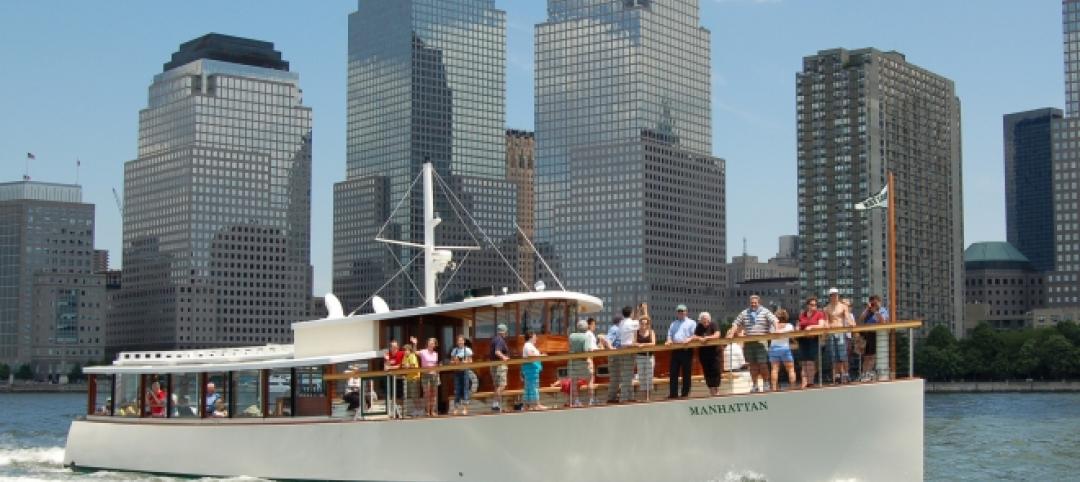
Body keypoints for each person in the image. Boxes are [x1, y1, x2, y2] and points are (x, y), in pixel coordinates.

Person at [728, 295, 779, 393]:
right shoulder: (745, 312)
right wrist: (731, 333)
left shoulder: (765, 311)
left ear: (759, 302)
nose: (753, 304)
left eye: (755, 303)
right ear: (750, 303)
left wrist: (776, 330)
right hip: (749, 342)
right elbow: (736, 323)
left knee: (763, 364)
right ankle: (755, 384)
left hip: (761, 342)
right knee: (753, 366)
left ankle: (766, 383)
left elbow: (774, 320)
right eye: (752, 303)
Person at [665, 305, 697, 399]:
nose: (681, 313)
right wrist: (669, 340)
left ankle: (685, 394)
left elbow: (695, 335)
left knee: (686, 373)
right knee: (673, 372)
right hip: (675, 349)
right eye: (679, 311)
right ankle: (673, 394)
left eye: (682, 311)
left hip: (686, 349)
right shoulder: (673, 323)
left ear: (686, 312)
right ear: (677, 313)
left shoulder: (692, 322)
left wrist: (689, 339)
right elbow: (669, 335)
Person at [858, 295, 890, 382]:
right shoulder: (868, 311)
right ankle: (864, 374)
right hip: (866, 335)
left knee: (872, 356)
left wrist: (876, 311)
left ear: (879, 302)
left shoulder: (883, 310)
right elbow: (860, 319)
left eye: (875, 302)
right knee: (866, 357)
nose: (874, 304)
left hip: (876, 335)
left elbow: (883, 321)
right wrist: (867, 309)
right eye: (872, 303)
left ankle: (868, 373)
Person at [824, 288, 852, 384]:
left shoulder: (843, 306)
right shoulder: (827, 308)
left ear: (838, 295)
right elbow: (827, 320)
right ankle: (837, 375)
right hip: (832, 332)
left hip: (840, 331)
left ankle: (845, 374)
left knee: (842, 355)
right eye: (832, 295)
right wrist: (826, 326)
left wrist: (851, 323)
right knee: (833, 355)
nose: (834, 296)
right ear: (830, 296)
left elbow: (847, 316)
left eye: (836, 294)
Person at [798, 296, 827, 388]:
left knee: (810, 362)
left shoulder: (819, 314)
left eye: (815, 305)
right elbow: (799, 324)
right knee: (804, 362)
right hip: (802, 340)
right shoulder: (802, 314)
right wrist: (797, 329)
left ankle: (810, 382)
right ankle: (804, 382)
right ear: (807, 305)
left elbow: (822, 325)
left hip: (813, 340)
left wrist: (811, 327)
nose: (813, 306)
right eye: (811, 305)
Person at [613, 306, 640, 403]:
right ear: (631, 313)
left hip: (622, 350)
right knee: (628, 375)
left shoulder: (621, 323)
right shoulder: (632, 323)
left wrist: (636, 313)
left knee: (625, 374)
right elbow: (640, 323)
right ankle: (624, 398)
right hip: (629, 350)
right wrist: (641, 311)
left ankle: (629, 396)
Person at [691, 312, 722, 396]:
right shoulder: (699, 326)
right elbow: (694, 336)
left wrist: (707, 338)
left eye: (706, 320)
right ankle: (711, 390)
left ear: (709, 319)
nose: (705, 323)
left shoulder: (713, 324)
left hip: (715, 353)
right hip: (704, 354)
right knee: (707, 371)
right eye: (702, 321)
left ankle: (717, 390)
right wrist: (700, 338)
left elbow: (717, 335)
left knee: (716, 370)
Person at [768, 309, 797, 391]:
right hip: (785, 348)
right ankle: (793, 387)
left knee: (774, 369)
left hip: (774, 348)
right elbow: (793, 337)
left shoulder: (772, 326)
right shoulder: (789, 326)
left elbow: (770, 336)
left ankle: (774, 388)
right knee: (791, 369)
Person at [568, 319, 594, 407]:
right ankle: (591, 400)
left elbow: (570, 348)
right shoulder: (586, 337)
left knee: (574, 382)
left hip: (573, 363)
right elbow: (586, 351)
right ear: (586, 328)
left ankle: (576, 401)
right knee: (590, 379)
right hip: (583, 363)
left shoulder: (571, 336)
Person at [521, 329, 546, 410]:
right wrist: (541, 356)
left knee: (529, 387)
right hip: (531, 370)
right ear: (531, 336)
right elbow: (531, 356)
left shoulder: (529, 346)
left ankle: (526, 405)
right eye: (535, 336)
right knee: (533, 387)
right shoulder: (527, 345)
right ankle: (536, 404)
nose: (536, 338)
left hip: (532, 369)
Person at [489, 324, 511, 412]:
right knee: (502, 385)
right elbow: (497, 352)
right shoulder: (500, 340)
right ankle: (495, 404)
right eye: (506, 332)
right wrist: (504, 357)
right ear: (504, 332)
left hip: (494, 365)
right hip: (499, 366)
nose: (506, 333)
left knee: (497, 386)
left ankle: (498, 405)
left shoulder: (494, 339)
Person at [449, 334, 473, 415]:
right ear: (457, 342)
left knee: (466, 390)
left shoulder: (468, 350)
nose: (460, 342)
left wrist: (464, 361)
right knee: (457, 390)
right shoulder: (454, 351)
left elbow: (471, 361)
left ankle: (465, 409)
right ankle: (456, 408)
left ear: (464, 341)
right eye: (459, 340)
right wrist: (455, 361)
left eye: (461, 340)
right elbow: (451, 362)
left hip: (465, 371)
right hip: (457, 372)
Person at [634, 315, 656, 401]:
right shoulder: (636, 332)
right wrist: (638, 345)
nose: (643, 326)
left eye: (645, 324)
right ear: (639, 324)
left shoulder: (651, 332)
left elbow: (653, 343)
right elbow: (634, 342)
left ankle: (648, 397)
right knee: (641, 377)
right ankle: (644, 397)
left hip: (649, 357)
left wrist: (642, 345)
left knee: (649, 376)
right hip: (640, 356)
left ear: (648, 324)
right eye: (642, 323)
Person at [605, 315, 624, 403]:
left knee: (618, 378)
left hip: (618, 356)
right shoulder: (614, 329)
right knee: (615, 378)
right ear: (620, 322)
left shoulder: (617, 329)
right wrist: (612, 350)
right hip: (615, 356)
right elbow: (607, 340)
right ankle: (611, 398)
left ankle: (614, 397)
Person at [419, 337, 440, 416]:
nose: (431, 344)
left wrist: (438, 369)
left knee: (433, 394)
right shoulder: (423, 351)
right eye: (430, 342)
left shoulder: (436, 354)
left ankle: (433, 411)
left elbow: (436, 364)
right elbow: (414, 352)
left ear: (434, 345)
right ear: (427, 343)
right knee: (427, 394)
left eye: (433, 343)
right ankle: (427, 411)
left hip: (434, 375)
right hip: (425, 374)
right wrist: (414, 344)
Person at [401, 343, 421, 417]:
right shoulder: (404, 357)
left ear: (410, 350)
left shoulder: (412, 356)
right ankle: (416, 410)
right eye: (404, 350)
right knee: (412, 396)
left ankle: (419, 410)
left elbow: (412, 365)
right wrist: (406, 366)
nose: (405, 352)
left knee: (415, 395)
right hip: (408, 378)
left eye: (407, 350)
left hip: (414, 378)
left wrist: (407, 366)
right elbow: (403, 366)